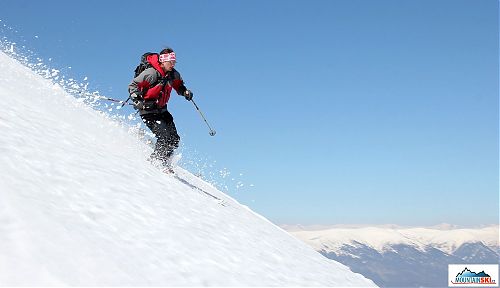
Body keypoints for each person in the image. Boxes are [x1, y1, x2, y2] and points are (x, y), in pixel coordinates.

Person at [128, 48, 193, 171]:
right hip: (148, 111)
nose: (173, 64)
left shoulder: (173, 75)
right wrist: (137, 99)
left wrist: (185, 92)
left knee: (174, 139)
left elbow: (178, 86)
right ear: (163, 62)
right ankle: (155, 163)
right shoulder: (151, 73)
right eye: (170, 62)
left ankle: (164, 162)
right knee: (164, 137)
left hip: (162, 111)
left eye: (174, 62)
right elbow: (133, 85)